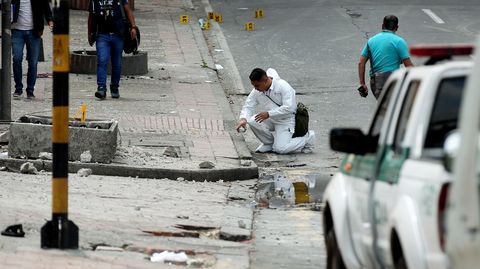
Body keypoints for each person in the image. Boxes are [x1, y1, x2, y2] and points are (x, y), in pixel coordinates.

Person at [235, 68, 315, 154]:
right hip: (271, 118)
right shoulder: (256, 91)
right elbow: (249, 105)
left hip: (286, 120)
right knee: (252, 120)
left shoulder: (283, 86)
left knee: (281, 149)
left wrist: (269, 114)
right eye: (254, 86)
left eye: (257, 85)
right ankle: (269, 143)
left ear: (265, 80)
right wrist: (243, 119)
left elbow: (289, 108)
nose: (255, 88)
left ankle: (307, 138)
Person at [88, 0, 137, 99]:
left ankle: (114, 87)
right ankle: (101, 88)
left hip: (118, 35)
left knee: (117, 63)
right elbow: (91, 17)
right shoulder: (94, 1)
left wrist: (133, 27)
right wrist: (90, 33)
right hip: (102, 35)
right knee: (102, 60)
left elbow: (128, 10)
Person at [358, 15, 414, 99]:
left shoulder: (371, 41)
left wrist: (362, 84)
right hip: (393, 80)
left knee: (384, 107)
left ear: (382, 25)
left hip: (376, 82)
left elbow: (361, 63)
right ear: (397, 27)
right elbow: (409, 66)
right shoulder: (399, 41)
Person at [11, 0, 53, 99]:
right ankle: (18, 88)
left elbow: (46, 8)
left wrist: (50, 21)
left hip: (34, 31)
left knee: (33, 62)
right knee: (16, 58)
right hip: (17, 31)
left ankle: (30, 90)